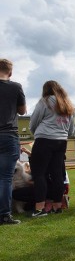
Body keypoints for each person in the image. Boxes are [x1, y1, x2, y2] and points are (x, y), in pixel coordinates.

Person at [29, 80, 75, 216]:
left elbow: (34, 122)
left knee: (39, 174)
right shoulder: (68, 105)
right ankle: (57, 206)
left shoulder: (45, 101)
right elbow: (71, 129)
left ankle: (40, 208)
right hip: (61, 141)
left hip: (44, 140)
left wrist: (36, 133)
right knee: (57, 174)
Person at [0, 59, 27, 225]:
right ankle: (4, 215)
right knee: (5, 178)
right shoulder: (15, 87)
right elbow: (23, 111)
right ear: (10, 72)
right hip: (8, 134)